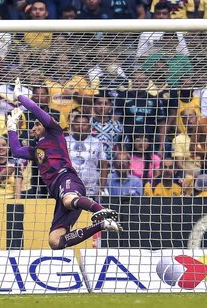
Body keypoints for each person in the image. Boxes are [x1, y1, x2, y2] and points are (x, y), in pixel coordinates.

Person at [6, 78, 121, 250]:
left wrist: (21, 97)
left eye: (37, 124)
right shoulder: (36, 151)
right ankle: (102, 225)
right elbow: (16, 151)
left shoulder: (55, 133)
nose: (33, 128)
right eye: (33, 125)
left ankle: (102, 210)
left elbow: (36, 110)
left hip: (67, 179)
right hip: (59, 194)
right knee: (55, 241)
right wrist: (11, 127)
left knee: (69, 200)